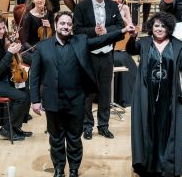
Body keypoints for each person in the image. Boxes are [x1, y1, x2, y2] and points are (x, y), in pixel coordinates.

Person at [30, 11, 134, 177]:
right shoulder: (42, 47)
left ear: (72, 27)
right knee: (56, 138)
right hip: (53, 100)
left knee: (74, 138)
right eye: (62, 23)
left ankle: (73, 169)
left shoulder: (81, 41)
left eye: (69, 24)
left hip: (76, 99)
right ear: (56, 25)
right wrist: (35, 100)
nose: (65, 27)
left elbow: (102, 39)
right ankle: (58, 169)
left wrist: (122, 31)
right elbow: (34, 76)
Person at [126, 12, 182, 177]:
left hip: (170, 96)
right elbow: (130, 50)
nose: (159, 29)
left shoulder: (178, 46)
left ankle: (166, 166)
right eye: (156, 26)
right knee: (149, 130)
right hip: (146, 95)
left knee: (167, 131)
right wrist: (132, 37)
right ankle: (148, 166)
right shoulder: (144, 43)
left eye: (163, 26)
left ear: (169, 28)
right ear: (151, 27)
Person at [73, 0, 125, 140]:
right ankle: (87, 126)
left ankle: (103, 126)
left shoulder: (112, 5)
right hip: (89, 55)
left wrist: (106, 31)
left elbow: (120, 27)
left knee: (105, 93)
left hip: (107, 54)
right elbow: (77, 30)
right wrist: (94, 31)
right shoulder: (81, 7)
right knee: (88, 93)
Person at [107, 0, 136, 107]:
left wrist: (122, 17)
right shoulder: (104, 7)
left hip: (120, 46)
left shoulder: (124, 8)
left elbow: (131, 29)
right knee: (118, 60)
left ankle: (129, 97)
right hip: (107, 46)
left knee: (128, 60)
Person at [20, 0, 55, 65]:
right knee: (41, 61)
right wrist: (35, 50)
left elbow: (54, 35)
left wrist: (50, 27)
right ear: (32, 0)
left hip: (47, 47)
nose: (40, 0)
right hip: (31, 49)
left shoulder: (49, 13)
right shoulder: (28, 17)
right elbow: (25, 42)